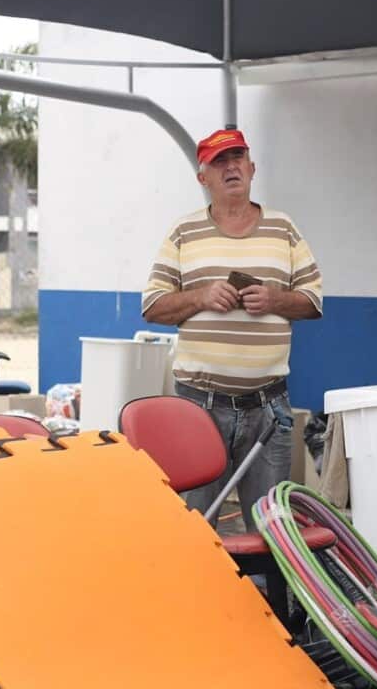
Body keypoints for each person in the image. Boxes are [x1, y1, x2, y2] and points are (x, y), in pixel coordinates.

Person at [142, 128, 323, 531]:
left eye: (238, 157)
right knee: (194, 528)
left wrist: (274, 300)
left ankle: (268, 598)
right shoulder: (183, 232)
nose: (231, 166)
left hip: (269, 406)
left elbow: (313, 302)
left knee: (272, 534)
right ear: (202, 177)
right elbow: (152, 306)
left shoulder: (283, 228)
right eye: (219, 161)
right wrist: (201, 297)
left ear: (252, 167)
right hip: (198, 405)